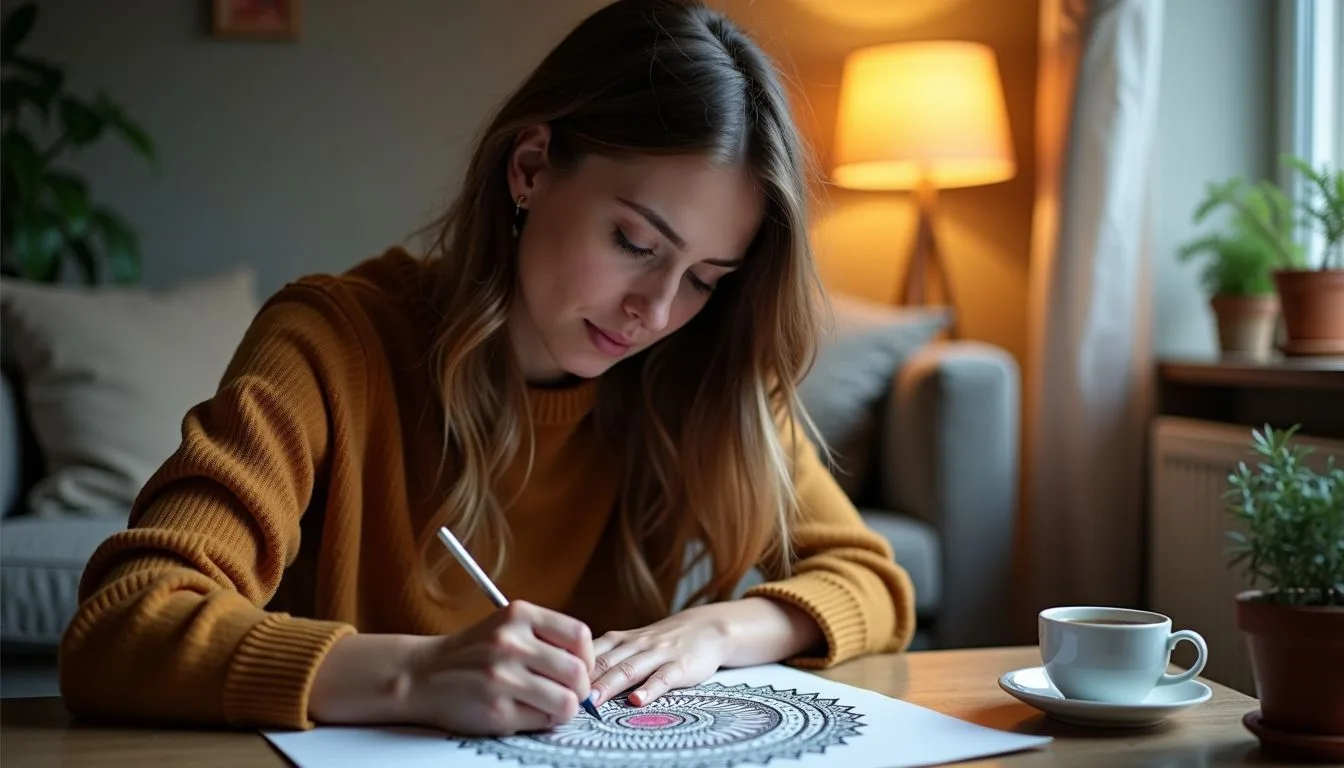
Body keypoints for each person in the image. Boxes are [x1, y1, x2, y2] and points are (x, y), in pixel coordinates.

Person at [58, 0, 915, 737]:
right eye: (635, 243)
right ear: (532, 168)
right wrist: (415, 676)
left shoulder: (700, 368)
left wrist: (716, 634)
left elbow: (872, 582)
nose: (655, 311)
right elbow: (124, 623)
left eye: (703, 279)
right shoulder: (332, 344)